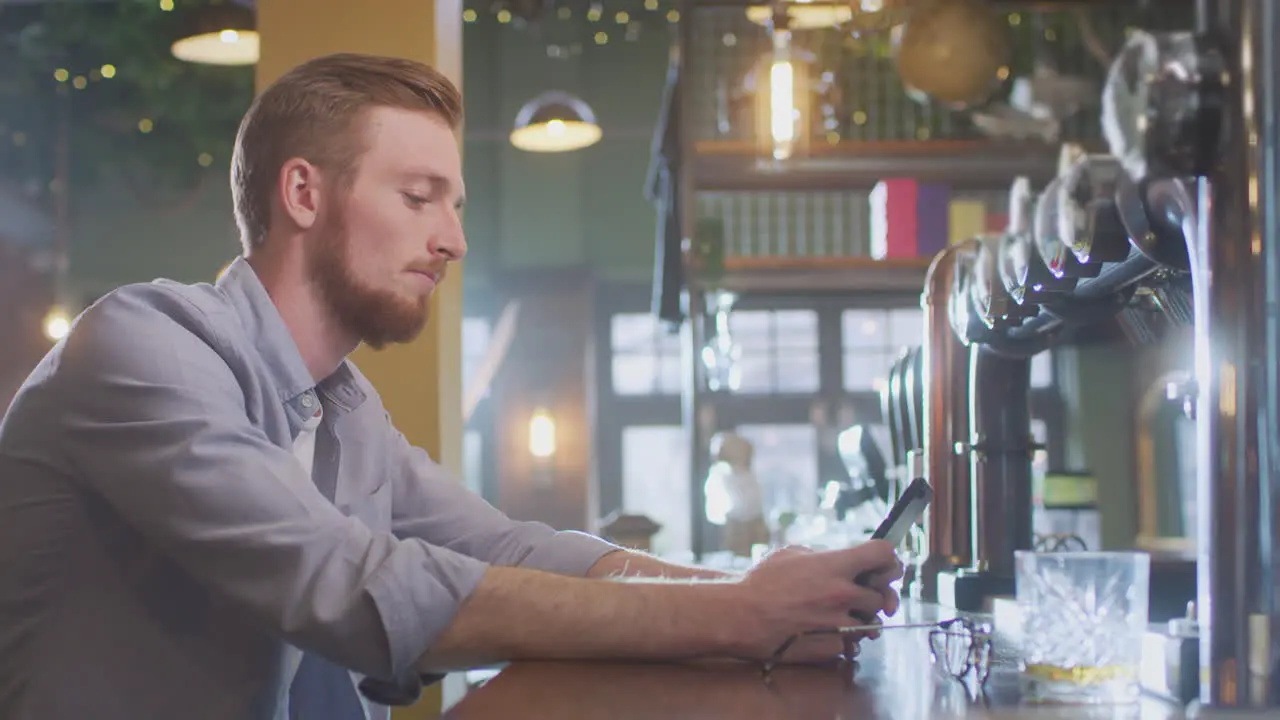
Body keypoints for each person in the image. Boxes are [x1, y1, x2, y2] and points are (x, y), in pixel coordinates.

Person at [0, 53, 902, 720]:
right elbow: (348, 586)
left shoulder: (345, 413)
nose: (452, 241)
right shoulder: (139, 348)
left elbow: (516, 549)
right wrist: (741, 617)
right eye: (419, 196)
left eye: (455, 206)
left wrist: (760, 596)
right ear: (304, 195)